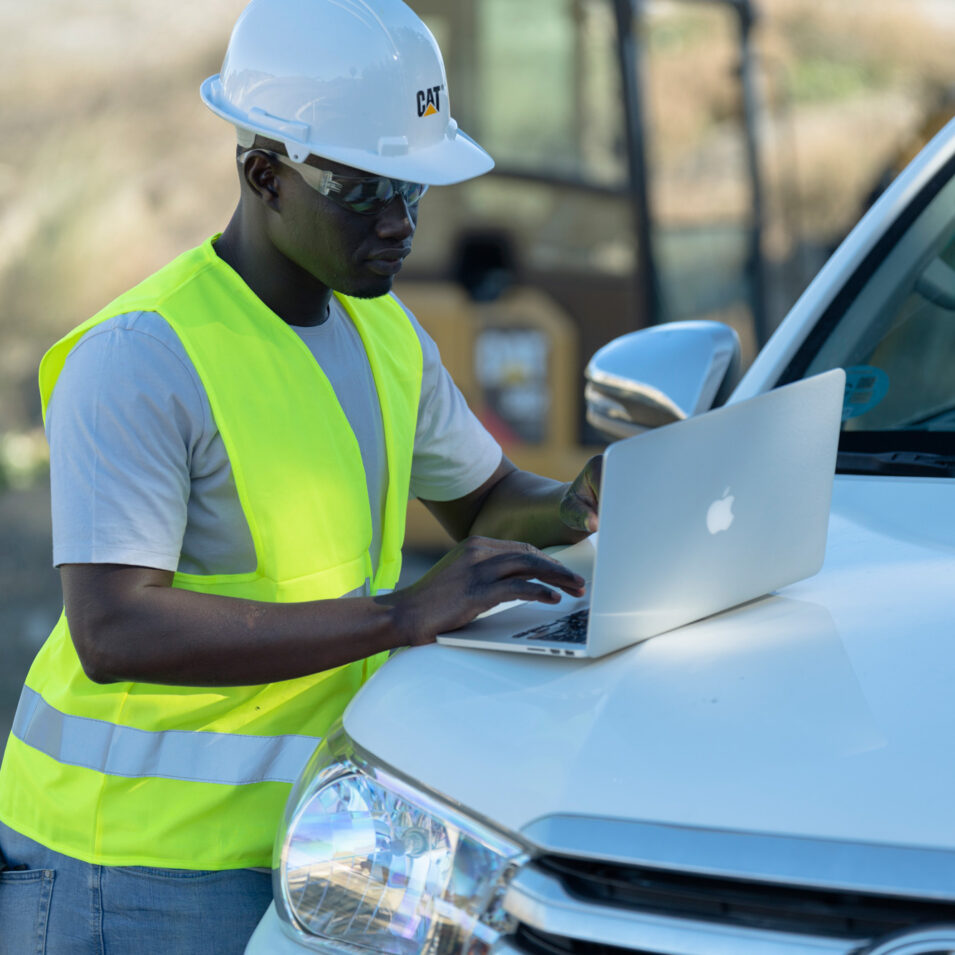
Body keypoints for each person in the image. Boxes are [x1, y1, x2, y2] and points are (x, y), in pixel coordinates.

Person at [0, 0, 601, 951]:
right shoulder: (143, 356)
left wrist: (575, 503)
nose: (399, 224)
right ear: (264, 174)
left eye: (414, 191)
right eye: (365, 191)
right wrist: (401, 614)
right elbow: (114, 628)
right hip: (127, 869)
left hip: (308, 842)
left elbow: (485, 499)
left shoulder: (385, 331)